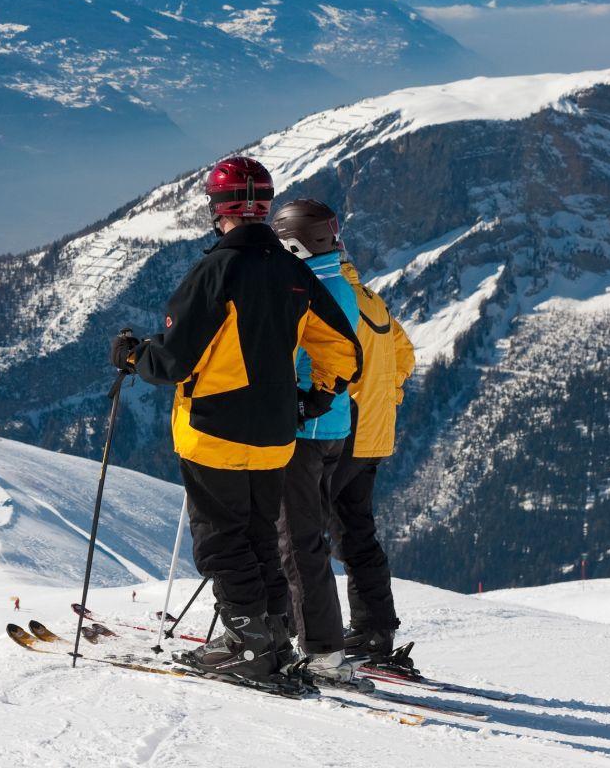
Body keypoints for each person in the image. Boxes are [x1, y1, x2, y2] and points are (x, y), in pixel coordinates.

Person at [118, 156, 361, 685]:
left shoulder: (216, 271)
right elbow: (343, 349)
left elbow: (176, 361)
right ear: (265, 208)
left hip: (215, 429)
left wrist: (135, 356)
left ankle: (248, 646)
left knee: (222, 541)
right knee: (259, 538)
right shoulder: (295, 273)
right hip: (275, 434)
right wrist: (315, 398)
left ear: (217, 208)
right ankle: (271, 639)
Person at [269, 198, 367, 684]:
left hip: (304, 430)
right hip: (333, 429)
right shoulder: (340, 281)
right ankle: (297, 632)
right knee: (303, 537)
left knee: (297, 542)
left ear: (295, 245)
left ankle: (323, 652)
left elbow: (291, 357)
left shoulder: (309, 289)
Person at [334, 235, 417, 667]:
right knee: (356, 533)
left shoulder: (330, 297)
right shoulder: (371, 299)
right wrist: (386, 394)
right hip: (373, 434)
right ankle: (374, 630)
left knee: (297, 532)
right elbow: (404, 355)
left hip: (341, 431)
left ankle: (292, 628)